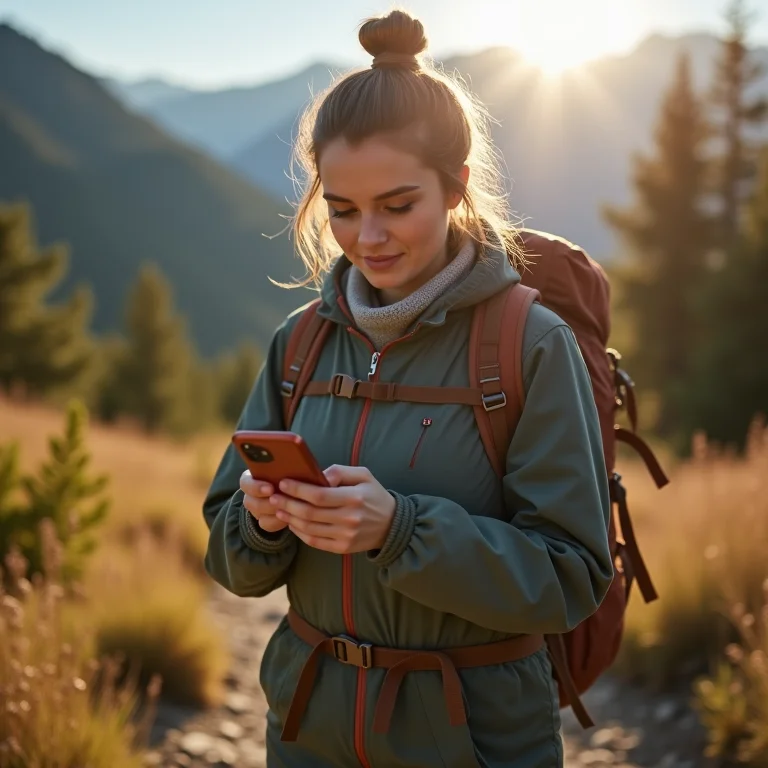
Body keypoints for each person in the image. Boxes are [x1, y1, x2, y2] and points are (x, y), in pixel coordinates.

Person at [203, 9, 613, 768]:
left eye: (398, 206)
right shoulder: (299, 343)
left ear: (456, 187)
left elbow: (570, 579)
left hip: (477, 740)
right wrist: (260, 524)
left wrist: (400, 531)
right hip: (307, 732)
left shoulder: (528, 343)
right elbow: (230, 564)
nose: (369, 238)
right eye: (342, 211)